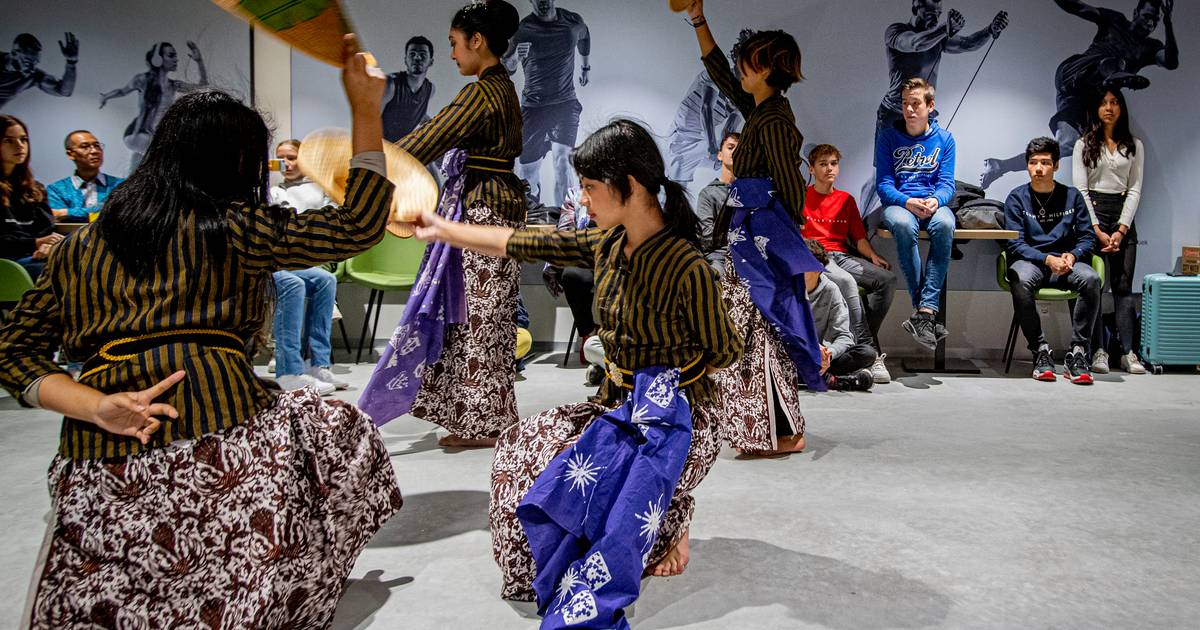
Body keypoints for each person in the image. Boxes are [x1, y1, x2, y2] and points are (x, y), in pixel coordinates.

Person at [0, 37, 402, 627]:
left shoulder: (78, 248)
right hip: (224, 440)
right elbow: (361, 224)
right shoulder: (233, 227)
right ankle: (280, 586)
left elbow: (14, 354)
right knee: (341, 431)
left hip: (99, 460)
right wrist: (367, 109)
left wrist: (99, 406)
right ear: (238, 164)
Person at [413, 118, 739, 612]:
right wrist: (443, 229)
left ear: (629, 186)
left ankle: (673, 516)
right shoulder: (606, 244)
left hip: (675, 423)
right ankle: (656, 517)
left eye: (589, 187)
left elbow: (725, 351)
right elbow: (524, 242)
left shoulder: (685, 266)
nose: (582, 198)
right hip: (614, 409)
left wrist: (662, 385)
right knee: (521, 461)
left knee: (602, 514)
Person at [358, 0, 527, 448]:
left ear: (477, 41)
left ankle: (483, 424)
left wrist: (374, 163)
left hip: (484, 211)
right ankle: (480, 417)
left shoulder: (482, 93)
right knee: (481, 320)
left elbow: (428, 139)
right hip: (491, 207)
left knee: (479, 321)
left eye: (455, 43)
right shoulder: (498, 87)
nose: (451, 53)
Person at [687, 1, 826, 457]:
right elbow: (721, 77)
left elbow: (789, 182)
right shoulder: (762, 110)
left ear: (765, 70)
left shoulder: (775, 120)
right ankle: (768, 428)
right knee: (750, 331)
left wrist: (795, 243)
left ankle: (783, 429)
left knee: (760, 330)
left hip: (763, 238)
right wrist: (698, 20)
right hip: (748, 235)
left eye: (747, 64)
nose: (740, 72)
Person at [980, 0, 1176, 190]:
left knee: (1065, 146)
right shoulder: (1115, 21)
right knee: (1115, 64)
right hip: (1075, 74)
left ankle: (1000, 166)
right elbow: (1078, 7)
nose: (1150, 24)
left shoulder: (1150, 47)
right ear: (1136, 13)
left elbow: (1170, 61)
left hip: (1084, 99)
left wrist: (1168, 21)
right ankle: (1117, 76)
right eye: (1148, 17)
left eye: (1155, 21)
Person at [860, 0, 1006, 213]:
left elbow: (965, 44)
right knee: (879, 176)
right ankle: (860, 229)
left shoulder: (936, 35)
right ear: (914, 8)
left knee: (922, 171)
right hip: (893, 113)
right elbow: (916, 43)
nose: (934, 18)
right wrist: (944, 29)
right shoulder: (897, 31)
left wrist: (990, 30)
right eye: (929, 12)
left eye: (938, 13)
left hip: (923, 116)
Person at [1004, 136, 1100, 384]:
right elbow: (1015, 243)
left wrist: (1073, 254)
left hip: (1067, 263)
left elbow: (1088, 237)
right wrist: (1046, 259)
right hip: (1034, 261)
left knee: (1091, 278)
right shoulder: (1016, 198)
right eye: (1033, 162)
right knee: (1020, 279)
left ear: (1056, 166)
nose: (1038, 168)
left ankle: (1078, 353)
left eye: (1045, 163)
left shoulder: (1072, 196)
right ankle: (1040, 352)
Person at [803, 144, 896, 384]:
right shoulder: (802, 196)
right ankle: (869, 350)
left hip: (843, 256)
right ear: (812, 169)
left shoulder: (846, 200)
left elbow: (859, 238)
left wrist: (873, 256)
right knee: (846, 282)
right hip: (819, 256)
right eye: (823, 164)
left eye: (833, 163)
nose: (829, 168)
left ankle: (862, 338)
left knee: (887, 280)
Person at [877, 77, 956, 351]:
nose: (909, 110)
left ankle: (924, 313)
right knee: (902, 225)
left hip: (932, 203)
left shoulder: (945, 139)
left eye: (915, 104)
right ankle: (924, 309)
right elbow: (884, 185)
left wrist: (936, 200)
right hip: (900, 203)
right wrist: (907, 200)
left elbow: (947, 184)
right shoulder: (888, 137)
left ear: (930, 106)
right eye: (905, 104)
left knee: (946, 224)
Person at [1072, 89, 1146, 375]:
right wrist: (1097, 229)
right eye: (1103, 102)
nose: (1109, 108)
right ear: (1096, 109)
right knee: (1095, 286)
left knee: (1123, 286)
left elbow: (1136, 187)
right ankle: (1098, 351)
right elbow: (1080, 189)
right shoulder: (1084, 144)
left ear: (1121, 108)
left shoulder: (1134, 144)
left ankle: (1128, 352)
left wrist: (1122, 228)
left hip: (1123, 214)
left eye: (1114, 102)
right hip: (1093, 214)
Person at [268, 139, 346, 394]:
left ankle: (318, 364)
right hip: (279, 259)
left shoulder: (320, 189)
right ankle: (289, 370)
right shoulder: (272, 192)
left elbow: (332, 224)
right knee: (293, 284)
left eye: (291, 157)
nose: (286, 164)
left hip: (308, 257)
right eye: (281, 159)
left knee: (326, 281)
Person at [503, 0, 591, 207]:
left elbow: (585, 36)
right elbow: (506, 67)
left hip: (565, 104)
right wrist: (515, 57)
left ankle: (565, 223)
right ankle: (533, 203)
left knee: (562, 162)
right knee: (528, 171)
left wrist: (585, 67)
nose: (542, 2)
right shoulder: (522, 30)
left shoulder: (572, 21)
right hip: (533, 107)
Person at [100, 41, 208, 168]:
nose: (176, 59)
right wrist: (105, 96)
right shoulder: (143, 79)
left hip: (153, 139)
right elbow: (122, 91)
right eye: (171, 55)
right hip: (138, 135)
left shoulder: (174, 85)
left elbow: (203, 88)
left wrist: (199, 62)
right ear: (158, 59)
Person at [804, 239, 876, 392]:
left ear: (818, 269)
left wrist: (829, 353)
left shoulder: (831, 290)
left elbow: (844, 336)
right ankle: (834, 380)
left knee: (867, 353)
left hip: (824, 357)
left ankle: (822, 376)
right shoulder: (787, 289)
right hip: (799, 352)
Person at [1, 115, 59, 282]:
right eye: (8, 140)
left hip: (37, 258)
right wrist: (36, 243)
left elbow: (47, 230)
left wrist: (47, 245)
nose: (20, 146)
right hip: (8, 263)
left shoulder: (35, 189)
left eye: (23, 139)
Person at [667, 69, 742, 186]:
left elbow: (729, 130)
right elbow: (706, 108)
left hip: (701, 137)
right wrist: (712, 146)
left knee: (732, 152)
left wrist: (722, 155)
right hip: (684, 132)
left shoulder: (746, 93)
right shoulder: (719, 74)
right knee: (677, 186)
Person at [46, 130, 124, 221]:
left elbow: (120, 214)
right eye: (85, 147)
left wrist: (67, 212)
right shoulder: (56, 190)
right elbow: (58, 220)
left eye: (97, 146)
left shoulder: (120, 185)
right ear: (70, 154)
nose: (95, 151)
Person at [694, 130, 737, 271]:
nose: (735, 152)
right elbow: (706, 238)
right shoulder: (708, 193)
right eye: (730, 147)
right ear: (720, 155)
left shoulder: (750, 191)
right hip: (719, 258)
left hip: (747, 257)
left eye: (740, 150)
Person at [0, 32, 78, 108]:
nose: (31, 69)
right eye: (27, 62)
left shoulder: (33, 76)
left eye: (35, 63)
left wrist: (71, 63)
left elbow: (64, 91)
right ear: (14, 53)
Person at [382, 36, 436, 143]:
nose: (417, 58)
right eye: (412, 54)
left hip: (401, 149)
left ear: (431, 61)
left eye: (422, 55)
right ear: (405, 60)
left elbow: (415, 113)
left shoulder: (430, 89)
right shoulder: (390, 84)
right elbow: (370, 118)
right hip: (381, 147)